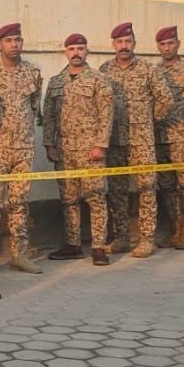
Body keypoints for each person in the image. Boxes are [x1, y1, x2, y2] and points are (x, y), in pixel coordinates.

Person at [99, 22, 173, 258]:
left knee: (146, 189)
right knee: (117, 191)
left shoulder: (148, 69)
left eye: (128, 41)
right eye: (120, 42)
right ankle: (122, 237)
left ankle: (147, 239)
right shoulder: (105, 69)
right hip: (115, 141)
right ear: (113, 44)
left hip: (142, 141)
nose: (124, 46)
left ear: (134, 43)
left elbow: (165, 99)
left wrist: (149, 121)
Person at [0, 23, 43, 275]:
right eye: (8, 40)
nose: (14, 44)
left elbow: (34, 107)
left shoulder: (33, 72)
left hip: (23, 147)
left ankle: (19, 254)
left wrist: (23, 131)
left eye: (17, 40)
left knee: (19, 202)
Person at [43, 34, 114, 265]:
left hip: (90, 150)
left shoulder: (98, 80)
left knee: (96, 198)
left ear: (87, 51)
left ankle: (98, 247)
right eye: (72, 48)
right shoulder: (56, 82)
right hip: (64, 150)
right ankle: (72, 244)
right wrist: (49, 144)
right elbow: (48, 116)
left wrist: (100, 145)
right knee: (68, 199)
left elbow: (106, 115)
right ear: (66, 52)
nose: (76, 53)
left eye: (80, 48)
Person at [154, 26, 184, 250]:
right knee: (167, 187)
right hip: (161, 139)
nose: (167, 48)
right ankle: (175, 228)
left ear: (178, 44)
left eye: (170, 43)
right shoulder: (154, 71)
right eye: (163, 44)